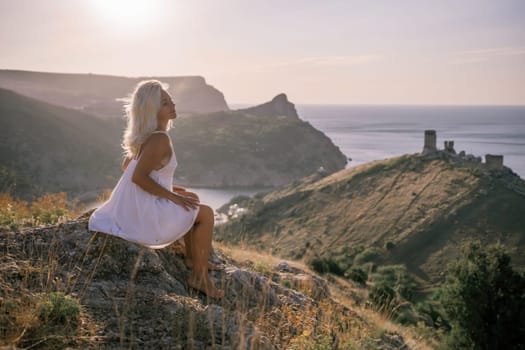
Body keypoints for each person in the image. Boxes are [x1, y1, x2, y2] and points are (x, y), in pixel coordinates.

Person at [88, 80, 224, 298]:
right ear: (152, 110)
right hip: (144, 221)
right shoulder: (159, 139)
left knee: (192, 197)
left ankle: (192, 259)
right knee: (205, 213)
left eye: (170, 100)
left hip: (135, 212)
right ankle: (199, 278)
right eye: (164, 103)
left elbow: (127, 167)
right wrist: (171, 196)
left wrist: (171, 190)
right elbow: (138, 177)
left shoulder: (147, 136)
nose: (172, 105)